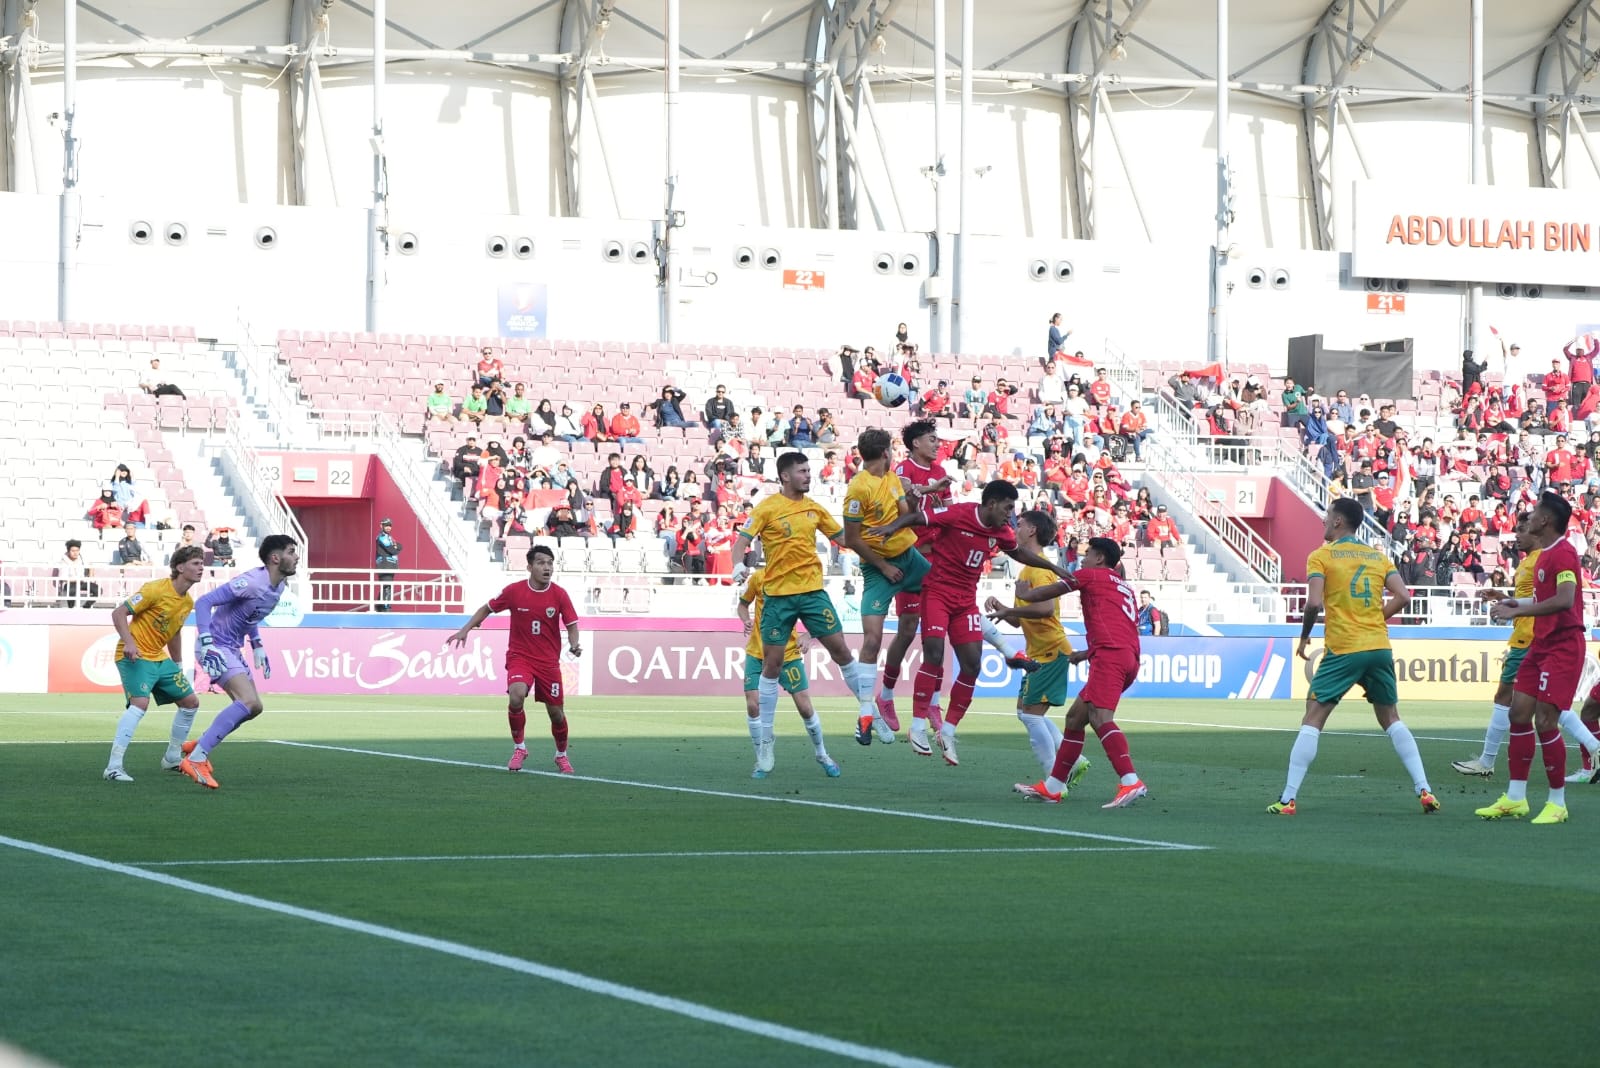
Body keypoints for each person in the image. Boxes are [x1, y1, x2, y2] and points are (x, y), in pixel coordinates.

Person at [865, 479, 1067, 764]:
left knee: (972, 665)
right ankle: (918, 726)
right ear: (991, 503)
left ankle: (947, 731)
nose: (1009, 515)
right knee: (934, 652)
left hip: (965, 602)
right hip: (937, 593)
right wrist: (892, 526)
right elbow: (919, 518)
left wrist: (1055, 566)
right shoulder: (960, 514)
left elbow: (1020, 553)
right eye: (1007, 508)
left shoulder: (1002, 532)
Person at [1266, 498, 1438, 815]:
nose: (1323, 520)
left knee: (1313, 718)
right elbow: (1403, 596)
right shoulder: (1377, 556)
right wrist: (1375, 619)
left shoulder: (1321, 556)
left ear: (1338, 522)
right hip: (1378, 647)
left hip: (1344, 647)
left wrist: (1304, 637)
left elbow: (1314, 603)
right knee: (1391, 719)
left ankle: (1288, 798)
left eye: (1327, 515)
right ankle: (1425, 790)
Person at [730, 451, 881, 755]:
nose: (808, 475)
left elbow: (846, 539)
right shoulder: (767, 508)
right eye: (802, 471)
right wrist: (737, 565)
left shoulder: (814, 508)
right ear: (785, 476)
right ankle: (767, 744)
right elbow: (742, 541)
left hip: (812, 592)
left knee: (840, 649)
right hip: (778, 596)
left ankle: (871, 714)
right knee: (772, 665)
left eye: (809, 470)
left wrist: (880, 541)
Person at [1003, 537, 1151, 808]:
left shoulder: (1091, 575)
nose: (1082, 560)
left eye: (1088, 554)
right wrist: (1086, 653)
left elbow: (1052, 591)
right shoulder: (1125, 587)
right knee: (1074, 719)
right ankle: (1054, 787)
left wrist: (1025, 595)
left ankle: (1130, 780)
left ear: (1099, 559)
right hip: (1126, 656)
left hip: (1110, 657)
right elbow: (1118, 624)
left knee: (1100, 717)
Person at [1454, 514, 1600, 780]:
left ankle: (1488, 761)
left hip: (1532, 639)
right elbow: (1534, 598)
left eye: (1522, 529)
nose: (1518, 534)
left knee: (1509, 700)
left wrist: (1516, 608)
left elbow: (1557, 599)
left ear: (1537, 533)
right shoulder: (1530, 563)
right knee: (1550, 707)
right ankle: (1595, 748)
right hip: (1528, 637)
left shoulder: (1545, 559)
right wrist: (1506, 598)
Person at [1479, 492, 1590, 823]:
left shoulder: (1565, 554)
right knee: (1518, 712)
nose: (1530, 518)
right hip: (1541, 644)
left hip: (1563, 646)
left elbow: (1565, 600)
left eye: (1536, 512)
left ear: (1546, 520)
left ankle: (1557, 803)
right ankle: (1516, 798)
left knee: (1546, 720)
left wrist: (1520, 609)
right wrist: (1516, 604)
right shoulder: (1543, 556)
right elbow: (1543, 600)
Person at [178, 534, 301, 790]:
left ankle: (198, 744)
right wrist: (208, 642)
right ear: (275, 558)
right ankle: (197, 759)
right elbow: (204, 602)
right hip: (215, 646)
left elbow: (250, 616)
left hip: (232, 648)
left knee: (255, 707)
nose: (297, 556)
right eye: (291, 551)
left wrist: (256, 644)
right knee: (247, 701)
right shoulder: (252, 582)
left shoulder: (278, 587)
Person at [446, 545, 581, 773]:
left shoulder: (559, 594)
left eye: (549, 563)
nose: (546, 567)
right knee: (516, 696)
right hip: (520, 656)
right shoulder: (514, 591)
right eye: (541, 563)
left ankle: (561, 755)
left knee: (556, 714)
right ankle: (520, 748)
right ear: (529, 567)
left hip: (548, 662)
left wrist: (575, 644)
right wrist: (465, 629)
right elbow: (487, 608)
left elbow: (572, 625)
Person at [981, 510, 1091, 787]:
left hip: (1050, 650)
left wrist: (1010, 607)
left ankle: (1056, 778)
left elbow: (1043, 609)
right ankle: (1073, 761)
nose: (1015, 528)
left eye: (1020, 524)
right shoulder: (1030, 568)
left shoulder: (1039, 568)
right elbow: (1020, 620)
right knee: (1026, 712)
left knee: (1030, 715)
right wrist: (1004, 610)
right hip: (1042, 651)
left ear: (1031, 531)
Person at [840, 428, 934, 746]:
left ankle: (930, 702)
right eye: (891, 451)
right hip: (878, 570)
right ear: (885, 453)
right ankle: (867, 714)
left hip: (910, 558)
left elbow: (906, 516)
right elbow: (851, 539)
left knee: (950, 592)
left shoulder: (891, 479)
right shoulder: (857, 489)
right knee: (872, 640)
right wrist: (882, 566)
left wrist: (910, 499)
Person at [102, 546, 208, 782]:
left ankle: (172, 757)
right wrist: (129, 642)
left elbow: (174, 633)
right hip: (135, 655)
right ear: (180, 567)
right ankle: (113, 766)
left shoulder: (187, 601)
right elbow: (119, 613)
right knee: (139, 704)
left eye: (202, 563)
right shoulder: (155, 589)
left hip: (159, 658)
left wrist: (178, 664)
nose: (201, 567)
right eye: (195, 563)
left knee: (190, 702)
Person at [876, 420, 954, 737]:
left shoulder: (941, 474)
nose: (937, 445)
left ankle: (933, 703)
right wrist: (930, 491)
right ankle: (886, 696)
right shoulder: (902, 472)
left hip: (938, 560)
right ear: (915, 444)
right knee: (907, 630)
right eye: (932, 440)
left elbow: (950, 512)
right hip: (911, 557)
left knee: (936, 635)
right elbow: (905, 500)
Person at [737, 567, 836, 779]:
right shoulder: (758, 577)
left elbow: (815, 613)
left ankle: (822, 754)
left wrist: (809, 635)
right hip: (757, 652)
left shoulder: (797, 578)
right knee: (753, 705)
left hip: (788, 653)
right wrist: (745, 619)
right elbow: (743, 604)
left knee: (805, 708)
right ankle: (761, 758)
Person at [55, 539, 99, 608]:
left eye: (77, 550)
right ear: (68, 551)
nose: (75, 553)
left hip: (82, 581)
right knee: (72, 590)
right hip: (70, 582)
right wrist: (77, 579)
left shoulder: (82, 558)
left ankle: (86, 607)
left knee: (98, 589)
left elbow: (91, 565)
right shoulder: (63, 561)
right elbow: (63, 578)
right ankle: (71, 608)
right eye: (73, 551)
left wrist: (90, 577)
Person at [374, 518, 402, 612]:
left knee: (386, 586)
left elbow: (400, 546)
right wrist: (395, 547)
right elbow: (393, 550)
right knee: (387, 586)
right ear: (381, 526)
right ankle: (385, 607)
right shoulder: (382, 537)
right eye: (386, 525)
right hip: (385, 565)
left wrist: (395, 547)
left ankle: (379, 606)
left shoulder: (389, 537)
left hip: (390, 565)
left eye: (390, 525)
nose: (388, 527)